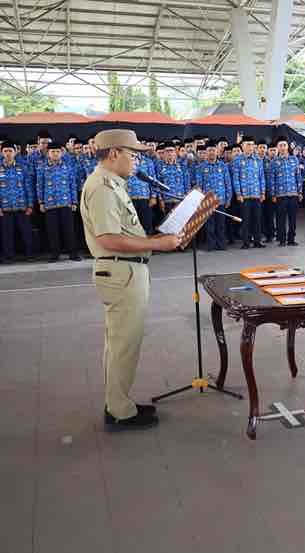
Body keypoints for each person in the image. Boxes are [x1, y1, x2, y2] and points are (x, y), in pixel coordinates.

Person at [80, 130, 182, 430]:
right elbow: (109, 238)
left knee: (120, 344)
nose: (136, 160)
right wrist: (157, 244)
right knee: (124, 344)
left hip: (125, 270)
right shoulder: (102, 187)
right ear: (114, 154)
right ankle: (119, 412)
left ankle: (118, 402)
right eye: (132, 154)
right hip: (120, 271)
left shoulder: (112, 183)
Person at [37, 143, 81, 262]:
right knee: (52, 230)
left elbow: (73, 185)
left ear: (61, 153)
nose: (55, 154)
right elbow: (39, 185)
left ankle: (73, 253)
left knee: (69, 230)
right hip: (49, 204)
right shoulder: (42, 167)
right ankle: (54, 254)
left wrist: (74, 202)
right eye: (52, 152)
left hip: (66, 202)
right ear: (48, 153)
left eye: (57, 151)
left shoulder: (68, 167)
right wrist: (41, 202)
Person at [0, 141, 35, 262]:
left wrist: (30, 205)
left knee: (26, 232)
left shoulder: (22, 167)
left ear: (15, 152)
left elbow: (28, 187)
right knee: (6, 233)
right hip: (5, 207)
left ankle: (30, 254)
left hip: (22, 206)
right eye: (5, 151)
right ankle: (9, 256)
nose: (8, 153)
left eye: (10, 151)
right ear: (1, 152)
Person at [194, 142, 232, 251]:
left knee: (221, 225)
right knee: (209, 225)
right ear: (206, 153)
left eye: (213, 150)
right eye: (209, 150)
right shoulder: (201, 167)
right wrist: (201, 200)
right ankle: (211, 245)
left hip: (221, 200)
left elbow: (227, 183)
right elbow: (199, 185)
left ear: (217, 152)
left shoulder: (223, 166)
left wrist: (228, 198)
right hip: (208, 201)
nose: (211, 152)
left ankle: (221, 244)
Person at [232, 136, 266, 249]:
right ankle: (245, 242)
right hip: (244, 196)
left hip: (256, 194)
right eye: (248, 144)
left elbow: (261, 178)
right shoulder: (237, 160)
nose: (250, 147)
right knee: (245, 220)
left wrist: (263, 192)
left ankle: (257, 241)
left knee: (257, 219)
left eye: (252, 144)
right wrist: (238, 194)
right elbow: (236, 178)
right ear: (242, 146)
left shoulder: (258, 160)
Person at [269, 136, 303, 247]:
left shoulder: (294, 159)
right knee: (280, 218)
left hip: (293, 194)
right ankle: (282, 240)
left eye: (284, 145)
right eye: (280, 145)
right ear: (277, 148)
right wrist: (273, 194)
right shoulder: (274, 162)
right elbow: (271, 179)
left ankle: (291, 239)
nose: (282, 147)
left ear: (288, 147)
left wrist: (300, 192)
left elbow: (298, 176)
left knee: (293, 218)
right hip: (280, 195)